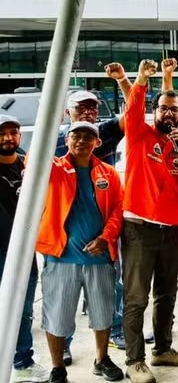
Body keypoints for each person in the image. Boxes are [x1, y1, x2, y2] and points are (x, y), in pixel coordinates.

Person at [120, 59, 178, 383]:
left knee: (167, 292)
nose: (169, 114)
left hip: (172, 229)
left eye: (174, 109)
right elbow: (134, 108)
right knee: (136, 296)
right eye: (164, 108)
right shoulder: (139, 133)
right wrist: (140, 80)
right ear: (155, 111)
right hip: (139, 227)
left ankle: (163, 349)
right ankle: (134, 360)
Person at [37, 121, 125, 383]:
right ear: (67, 138)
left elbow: (119, 209)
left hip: (99, 258)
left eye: (89, 136)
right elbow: (34, 158)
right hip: (60, 257)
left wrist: (105, 237)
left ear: (97, 142)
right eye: (77, 135)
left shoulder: (108, 173)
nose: (82, 141)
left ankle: (101, 359)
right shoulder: (53, 168)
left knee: (103, 313)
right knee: (57, 315)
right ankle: (57, 367)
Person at [1, 114, 48, 383]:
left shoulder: (27, 166)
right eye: (3, 133)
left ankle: (22, 362)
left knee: (24, 308)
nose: (8, 138)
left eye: (13, 132)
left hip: (24, 252)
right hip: (1, 249)